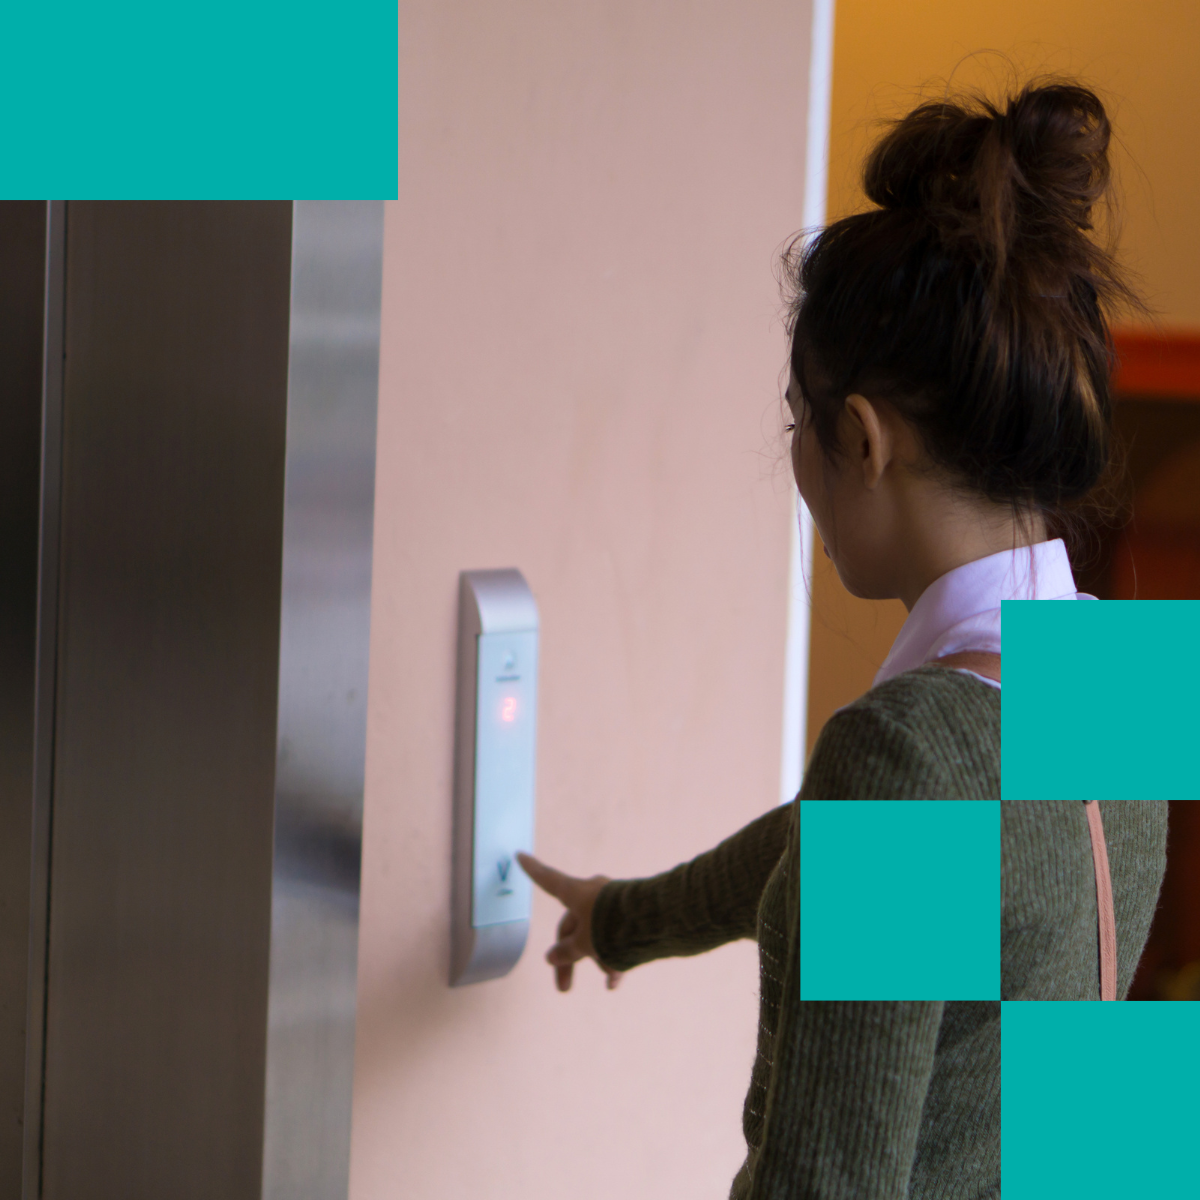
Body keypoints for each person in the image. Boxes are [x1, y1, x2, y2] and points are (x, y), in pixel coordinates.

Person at [518, 80, 1167, 1199]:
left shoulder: (908, 763)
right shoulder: (1121, 683)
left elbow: (829, 1181)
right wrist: (626, 917)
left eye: (797, 424)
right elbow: (850, 841)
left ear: (860, 439)